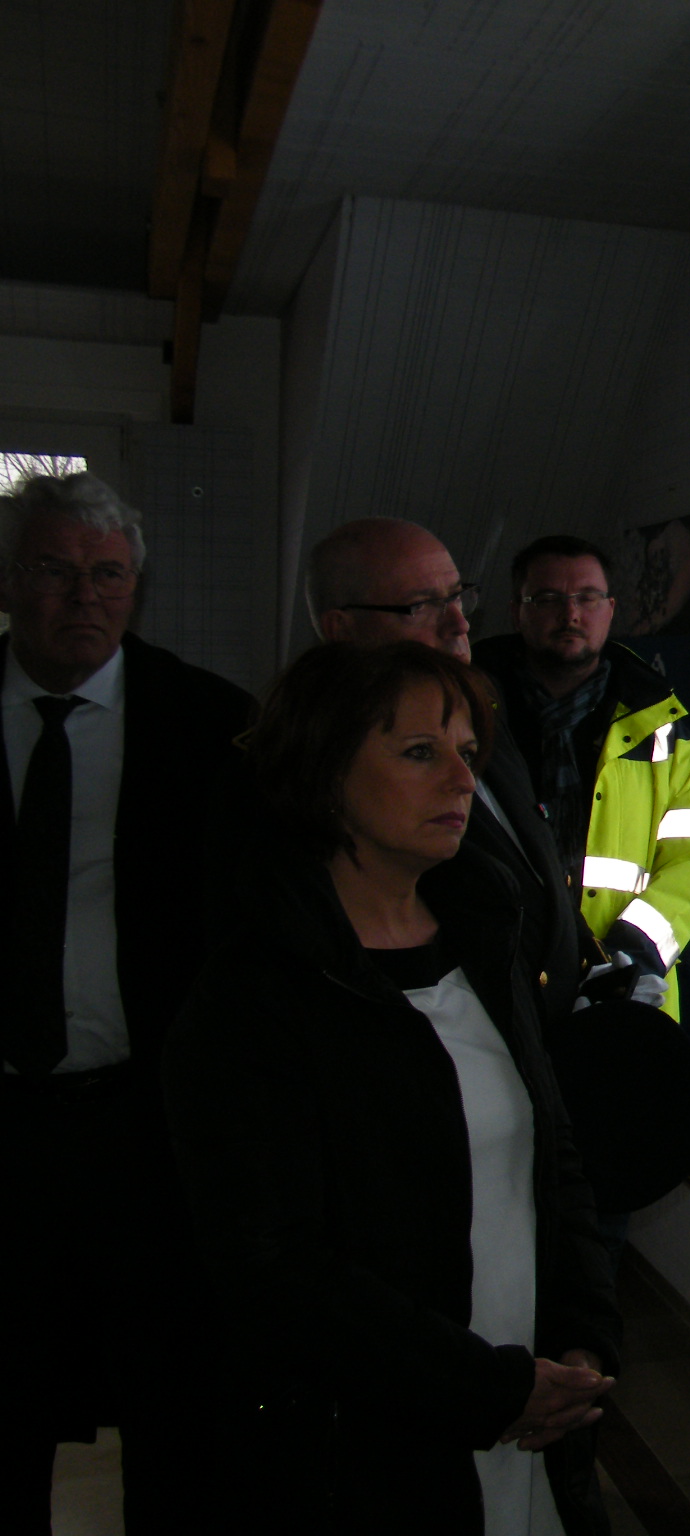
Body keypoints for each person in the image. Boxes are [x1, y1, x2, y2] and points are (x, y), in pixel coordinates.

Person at [164, 641, 620, 1535]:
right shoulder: (254, 996)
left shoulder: (486, 939)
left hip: (530, 1425)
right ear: (324, 770)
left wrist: (583, 1340)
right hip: (367, 1454)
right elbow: (277, 1272)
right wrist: (490, 1388)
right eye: (419, 753)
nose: (461, 777)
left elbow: (552, 1159)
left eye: (465, 749)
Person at [0, 471, 252, 1532]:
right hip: (3, 1133)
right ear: (13, 580)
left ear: (136, 588)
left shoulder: (208, 726)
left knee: (177, 1423)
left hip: (151, 1133)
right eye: (57, 570)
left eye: (109, 575)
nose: (84, 597)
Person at [307, 518, 584, 1026]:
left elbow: (532, 864)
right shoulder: (319, 779)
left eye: (458, 597)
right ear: (341, 630)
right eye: (420, 607)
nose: (458, 624)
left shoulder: (485, 707)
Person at [473, 534, 690, 1021]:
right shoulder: (467, 719)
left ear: (610, 609)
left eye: (586, 598)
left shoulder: (661, 729)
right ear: (516, 611)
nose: (570, 614)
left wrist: (633, 951)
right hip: (498, 985)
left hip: (622, 990)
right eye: (547, 599)